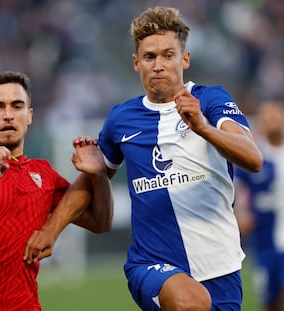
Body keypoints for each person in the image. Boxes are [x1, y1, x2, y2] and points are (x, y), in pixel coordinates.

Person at [23, 6, 263, 311]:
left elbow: (252, 158)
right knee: (190, 302)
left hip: (221, 267)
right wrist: (50, 231)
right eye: (149, 57)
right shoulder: (122, 119)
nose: (158, 65)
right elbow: (90, 180)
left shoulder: (212, 100)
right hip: (152, 265)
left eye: (168, 55)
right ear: (137, 63)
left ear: (184, 59)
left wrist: (202, 126)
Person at [0, 71, 113, 310]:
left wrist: (98, 175)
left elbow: (100, 222)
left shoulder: (44, 174)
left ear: (29, 115)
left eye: (17, 106)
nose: (7, 115)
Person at [234, 101, 284, 311]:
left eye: (275, 116)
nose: (271, 121)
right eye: (267, 117)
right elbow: (236, 186)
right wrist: (241, 212)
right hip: (265, 241)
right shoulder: (255, 156)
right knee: (270, 300)